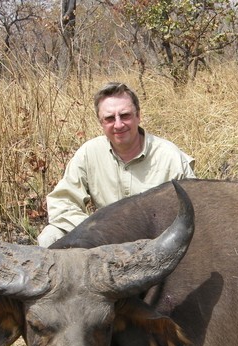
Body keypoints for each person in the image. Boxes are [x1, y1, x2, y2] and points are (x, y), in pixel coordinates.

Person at [37, 82, 196, 247]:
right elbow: (61, 202)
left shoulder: (170, 156)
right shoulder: (88, 153)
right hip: (102, 243)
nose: (119, 125)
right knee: (50, 237)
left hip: (155, 242)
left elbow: (195, 209)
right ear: (101, 122)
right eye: (110, 118)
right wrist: (95, 231)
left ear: (138, 116)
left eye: (125, 115)